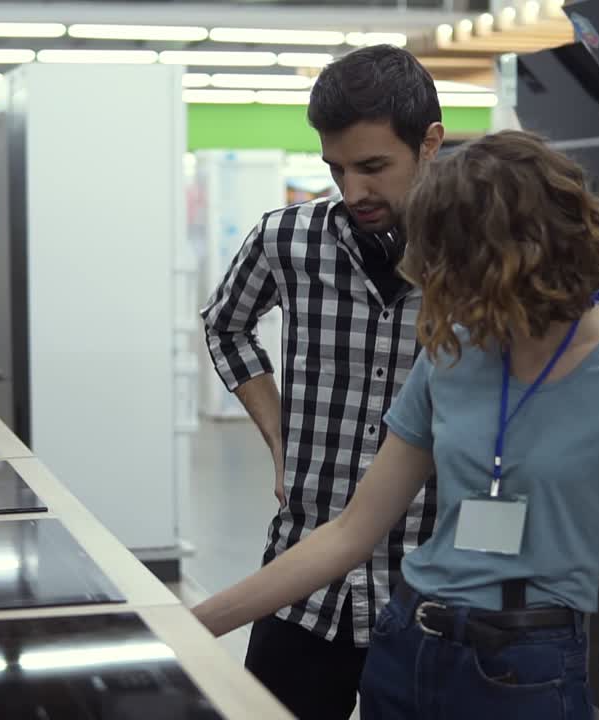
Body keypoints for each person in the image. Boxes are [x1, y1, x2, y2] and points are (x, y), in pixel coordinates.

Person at [194, 131, 599, 720]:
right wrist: (191, 626)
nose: (437, 290)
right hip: (405, 649)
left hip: (525, 674)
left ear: (518, 257)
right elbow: (348, 535)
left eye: (453, 269)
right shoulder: (453, 355)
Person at [199, 45, 444, 719]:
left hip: (429, 594)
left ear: (430, 143)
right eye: (336, 168)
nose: (353, 190)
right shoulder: (287, 240)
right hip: (303, 581)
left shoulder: (476, 256)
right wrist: (278, 433)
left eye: (373, 167)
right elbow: (225, 326)